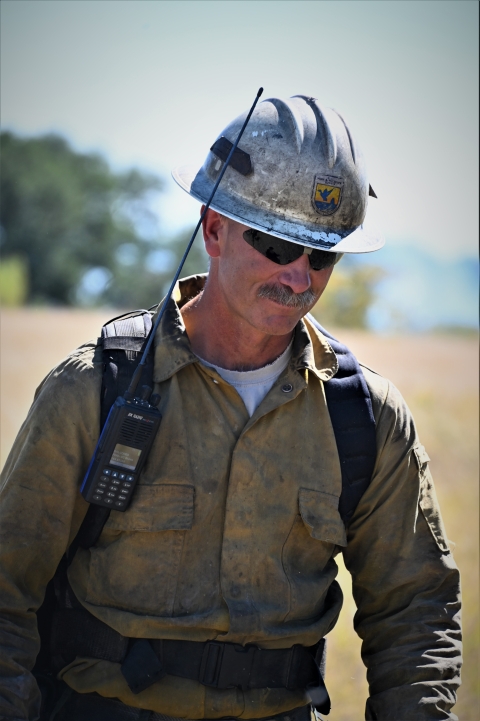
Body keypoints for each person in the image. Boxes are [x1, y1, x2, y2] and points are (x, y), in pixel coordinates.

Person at [0, 95, 462, 721]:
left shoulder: (366, 419)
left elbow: (418, 614)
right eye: (276, 246)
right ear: (213, 229)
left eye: (322, 254)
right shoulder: (95, 390)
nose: (299, 279)